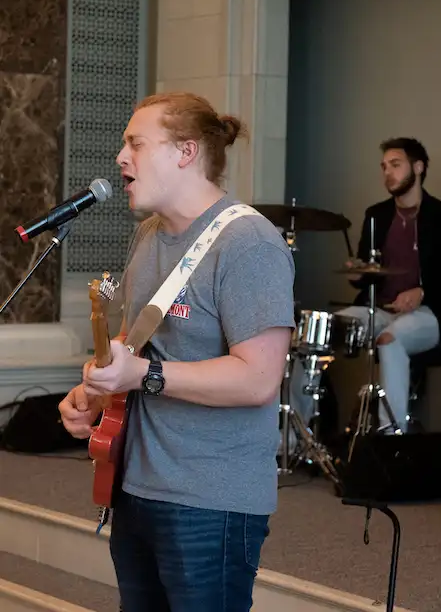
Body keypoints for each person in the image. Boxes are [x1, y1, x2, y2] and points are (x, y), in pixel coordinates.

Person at [58, 92, 295, 611]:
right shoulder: (149, 235)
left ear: (186, 152)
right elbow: (134, 345)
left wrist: (143, 374)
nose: (121, 157)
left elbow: (258, 379)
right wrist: (95, 389)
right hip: (135, 485)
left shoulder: (249, 243)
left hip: (209, 500)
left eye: (136, 144)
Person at [292, 137, 441, 434]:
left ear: (418, 167)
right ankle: (293, 437)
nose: (387, 172)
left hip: (430, 315)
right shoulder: (376, 215)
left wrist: (423, 292)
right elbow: (369, 272)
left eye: (395, 165)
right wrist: (358, 274)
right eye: (384, 166)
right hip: (378, 309)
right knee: (313, 334)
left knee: (390, 339)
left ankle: (391, 437)